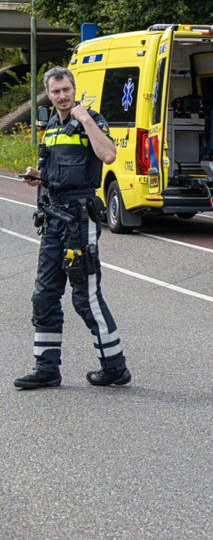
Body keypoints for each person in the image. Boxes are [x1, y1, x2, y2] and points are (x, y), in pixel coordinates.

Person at [16, 67, 131, 389]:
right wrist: (36, 176)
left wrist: (86, 120)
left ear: (74, 89)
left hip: (80, 220)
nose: (62, 96)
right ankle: (46, 368)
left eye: (66, 90)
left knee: (85, 297)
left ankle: (115, 367)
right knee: (44, 295)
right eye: (56, 92)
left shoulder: (90, 119)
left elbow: (108, 155)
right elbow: (54, 170)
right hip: (52, 218)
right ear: (48, 95)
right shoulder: (51, 125)